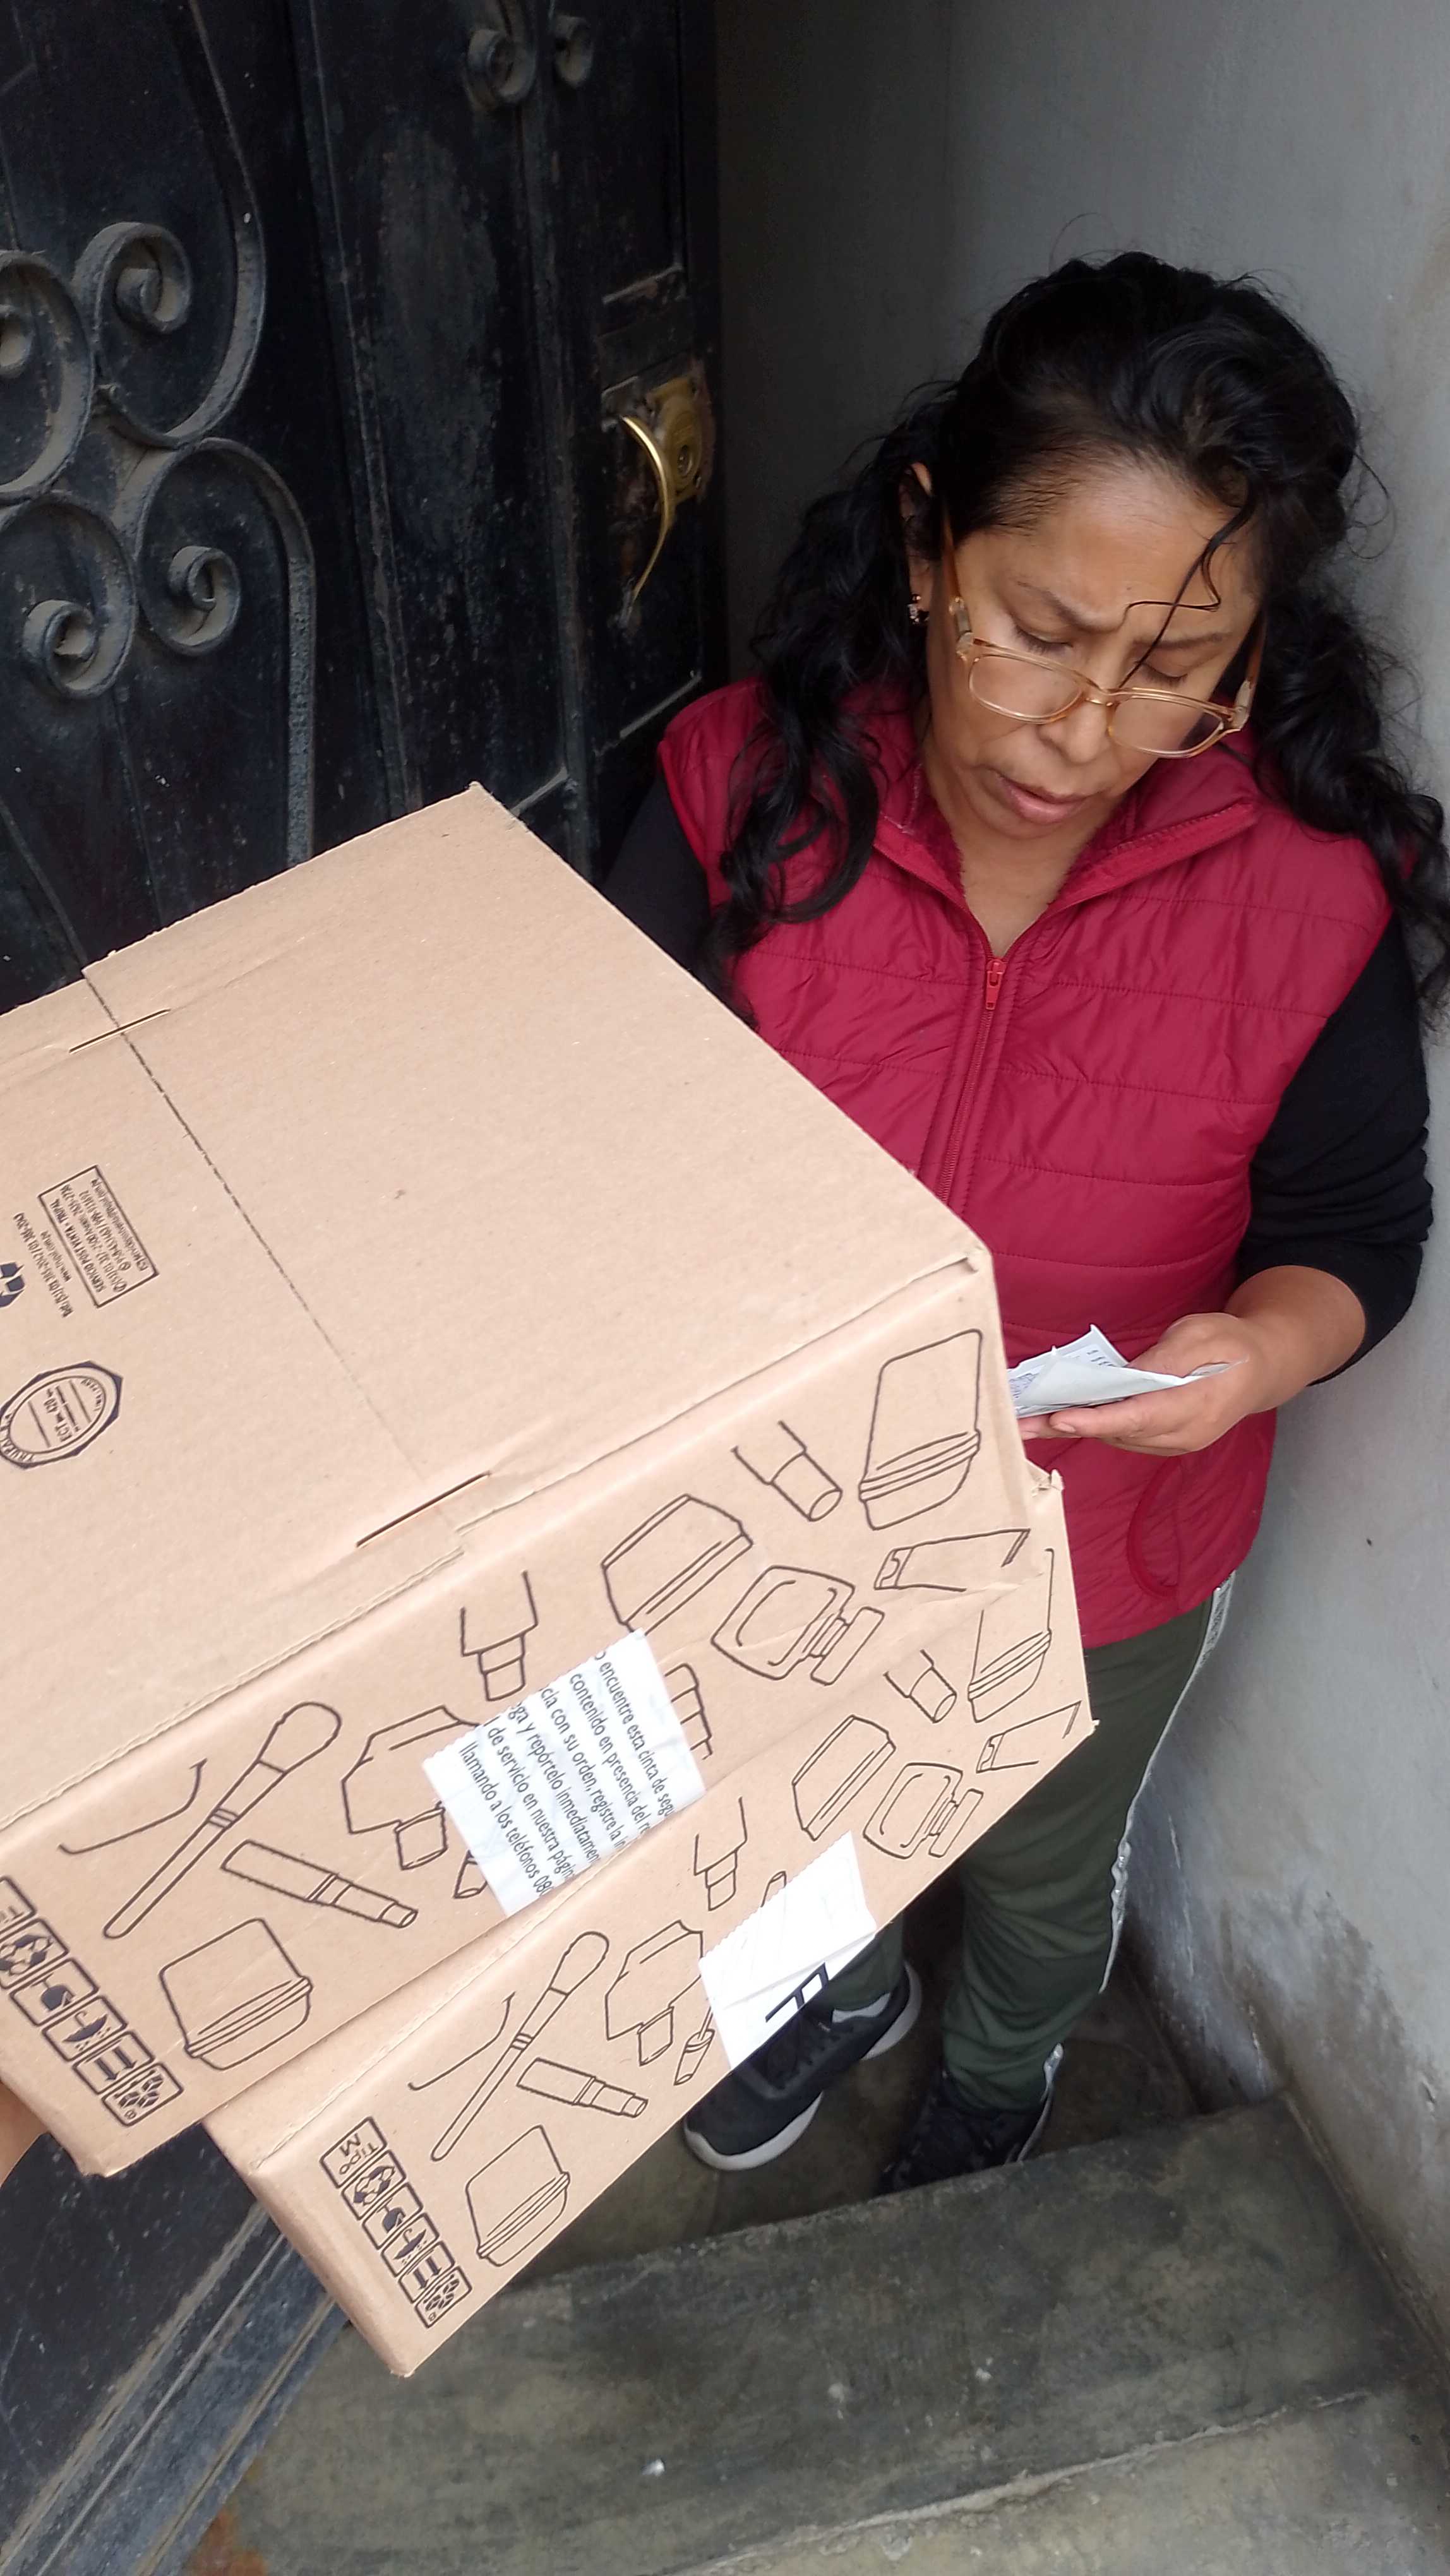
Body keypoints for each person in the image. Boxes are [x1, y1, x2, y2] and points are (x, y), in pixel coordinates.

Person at [606, 253, 1443, 2192]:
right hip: (781, 1514)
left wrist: (1257, 1355)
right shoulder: (745, 790)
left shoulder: (1306, 892)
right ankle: (834, 1992)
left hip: (1105, 1547)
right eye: (1039, 632)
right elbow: (595, 1137)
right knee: (789, 1792)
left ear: (1251, 658)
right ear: (929, 548)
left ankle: (1002, 2055)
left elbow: (1357, 1232)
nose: (1084, 725)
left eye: (1175, 671)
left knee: (1045, 1851)